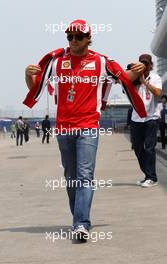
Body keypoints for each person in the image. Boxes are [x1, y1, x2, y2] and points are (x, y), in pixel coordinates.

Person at [24, 19, 146, 241]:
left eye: (78, 37)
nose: (72, 40)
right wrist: (27, 74)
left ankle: (81, 223)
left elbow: (124, 79)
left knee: (85, 176)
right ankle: (78, 218)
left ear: (89, 38)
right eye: (69, 36)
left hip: (88, 126)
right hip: (63, 128)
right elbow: (36, 89)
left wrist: (139, 70)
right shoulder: (57, 62)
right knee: (71, 177)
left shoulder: (101, 62)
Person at [130, 54, 162, 188]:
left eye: (146, 64)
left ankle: (151, 177)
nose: (144, 66)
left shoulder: (155, 77)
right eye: (141, 63)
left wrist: (144, 82)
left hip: (151, 118)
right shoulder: (134, 78)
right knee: (137, 148)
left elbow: (157, 93)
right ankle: (147, 175)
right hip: (136, 118)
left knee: (149, 149)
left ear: (150, 65)